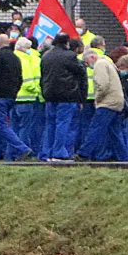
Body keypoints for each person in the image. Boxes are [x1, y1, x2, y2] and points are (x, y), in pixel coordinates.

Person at [40, 34, 86, 162]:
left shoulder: (46, 56)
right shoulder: (69, 56)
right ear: (66, 42)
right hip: (67, 95)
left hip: (49, 95)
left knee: (50, 124)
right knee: (63, 124)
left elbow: (43, 76)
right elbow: (80, 74)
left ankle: (47, 152)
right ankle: (59, 153)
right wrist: (81, 97)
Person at [77, 49, 127, 161]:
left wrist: (97, 99)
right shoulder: (108, 62)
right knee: (115, 132)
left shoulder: (99, 65)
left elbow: (103, 85)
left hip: (107, 102)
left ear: (92, 57)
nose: (87, 65)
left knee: (95, 128)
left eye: (86, 62)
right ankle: (123, 158)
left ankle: (83, 153)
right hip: (117, 101)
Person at [0, 35, 32, 161]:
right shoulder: (15, 58)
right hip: (11, 96)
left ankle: (22, 148)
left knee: (0, 124)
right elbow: (20, 78)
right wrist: (14, 92)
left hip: (0, 95)